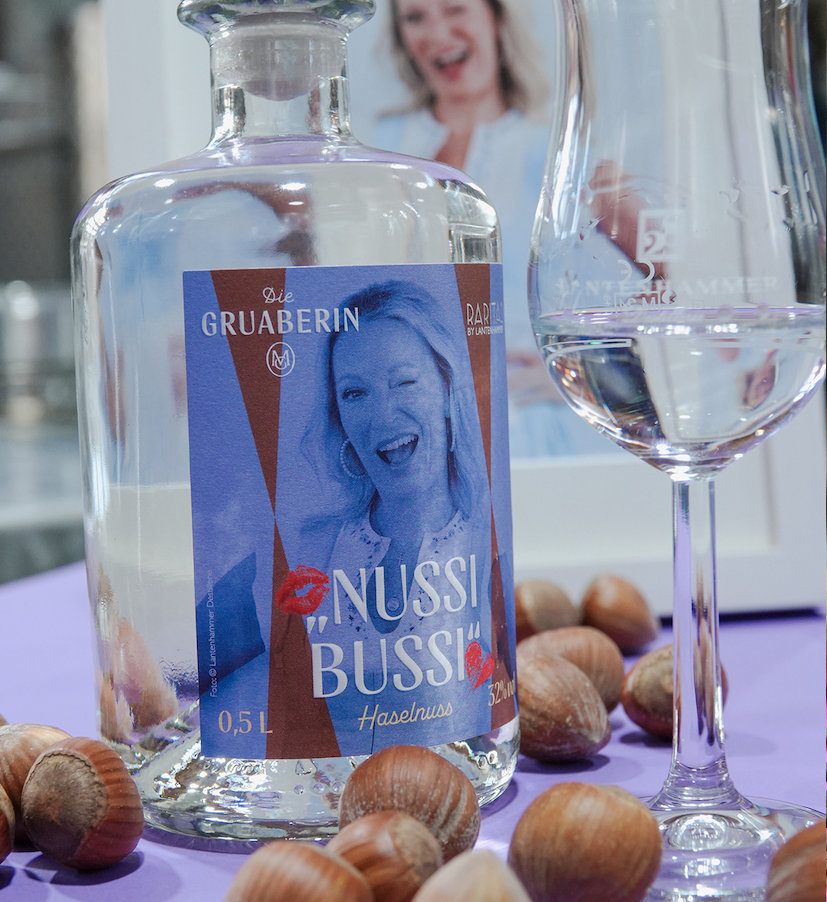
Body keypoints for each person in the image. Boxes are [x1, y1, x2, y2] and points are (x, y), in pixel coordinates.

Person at [373, 0, 615, 458]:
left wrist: (593, 373)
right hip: (405, 431)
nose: (436, 32)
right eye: (415, 17)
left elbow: (672, 289)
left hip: (531, 435)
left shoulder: (562, 155)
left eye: (455, 8)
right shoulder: (375, 149)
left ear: (497, 18)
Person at [301, 279, 492, 643]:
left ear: (448, 390)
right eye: (355, 393)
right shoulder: (314, 546)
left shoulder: (488, 541)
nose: (383, 417)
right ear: (338, 415)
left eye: (404, 382)